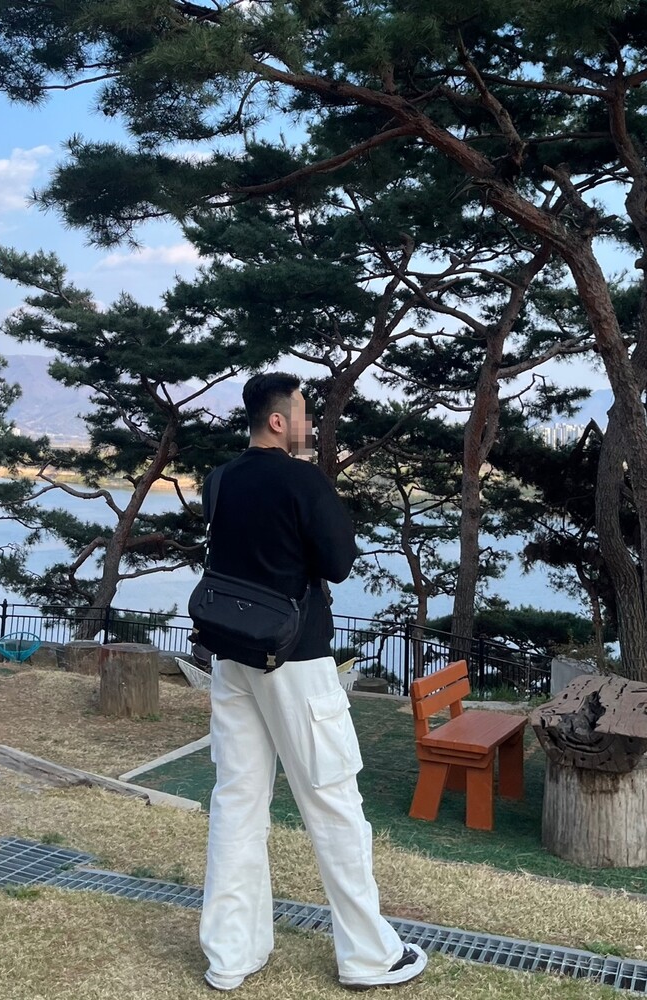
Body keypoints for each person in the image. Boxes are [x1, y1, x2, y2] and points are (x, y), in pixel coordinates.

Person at [197, 372, 428, 991]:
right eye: (302, 414)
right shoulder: (302, 480)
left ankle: (231, 955)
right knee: (333, 802)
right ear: (279, 421)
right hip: (295, 659)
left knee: (237, 801)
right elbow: (340, 562)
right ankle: (368, 955)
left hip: (233, 656)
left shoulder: (221, 479)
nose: (310, 425)